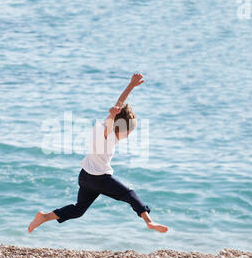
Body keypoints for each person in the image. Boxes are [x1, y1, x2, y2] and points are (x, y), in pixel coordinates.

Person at [28, 73, 168, 233]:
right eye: (128, 132)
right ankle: (149, 222)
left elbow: (118, 106)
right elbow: (115, 112)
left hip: (85, 176)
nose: (128, 135)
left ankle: (44, 217)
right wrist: (117, 106)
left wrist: (130, 86)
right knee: (130, 194)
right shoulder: (108, 134)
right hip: (100, 179)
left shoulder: (102, 126)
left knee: (78, 209)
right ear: (121, 127)